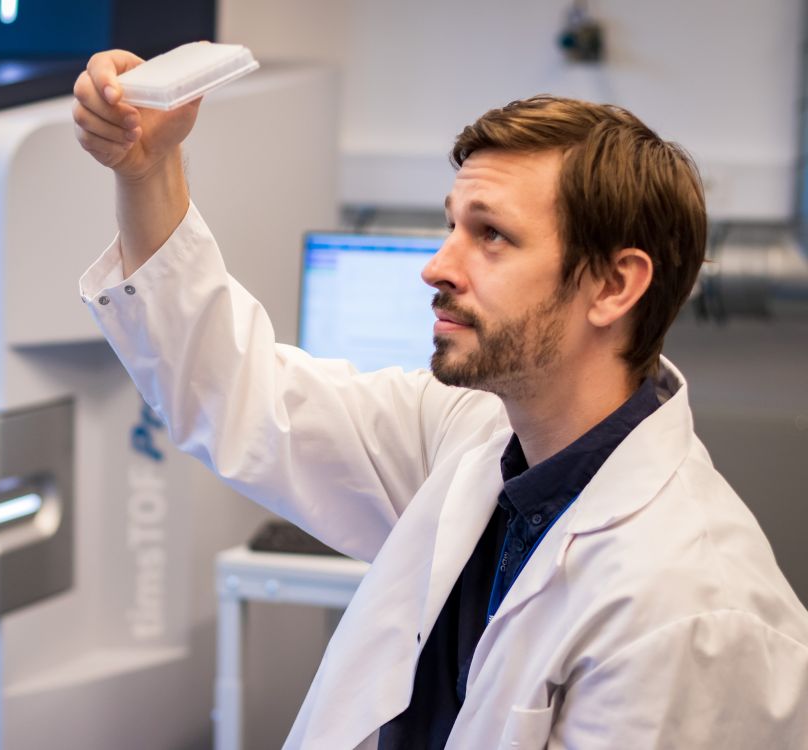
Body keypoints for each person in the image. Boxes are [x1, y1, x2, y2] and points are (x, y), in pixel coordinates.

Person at [72, 49, 808, 749]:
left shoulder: (692, 611)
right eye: (451, 225)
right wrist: (148, 169)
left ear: (614, 285)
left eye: (491, 236)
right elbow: (242, 393)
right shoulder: (478, 435)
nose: (435, 267)